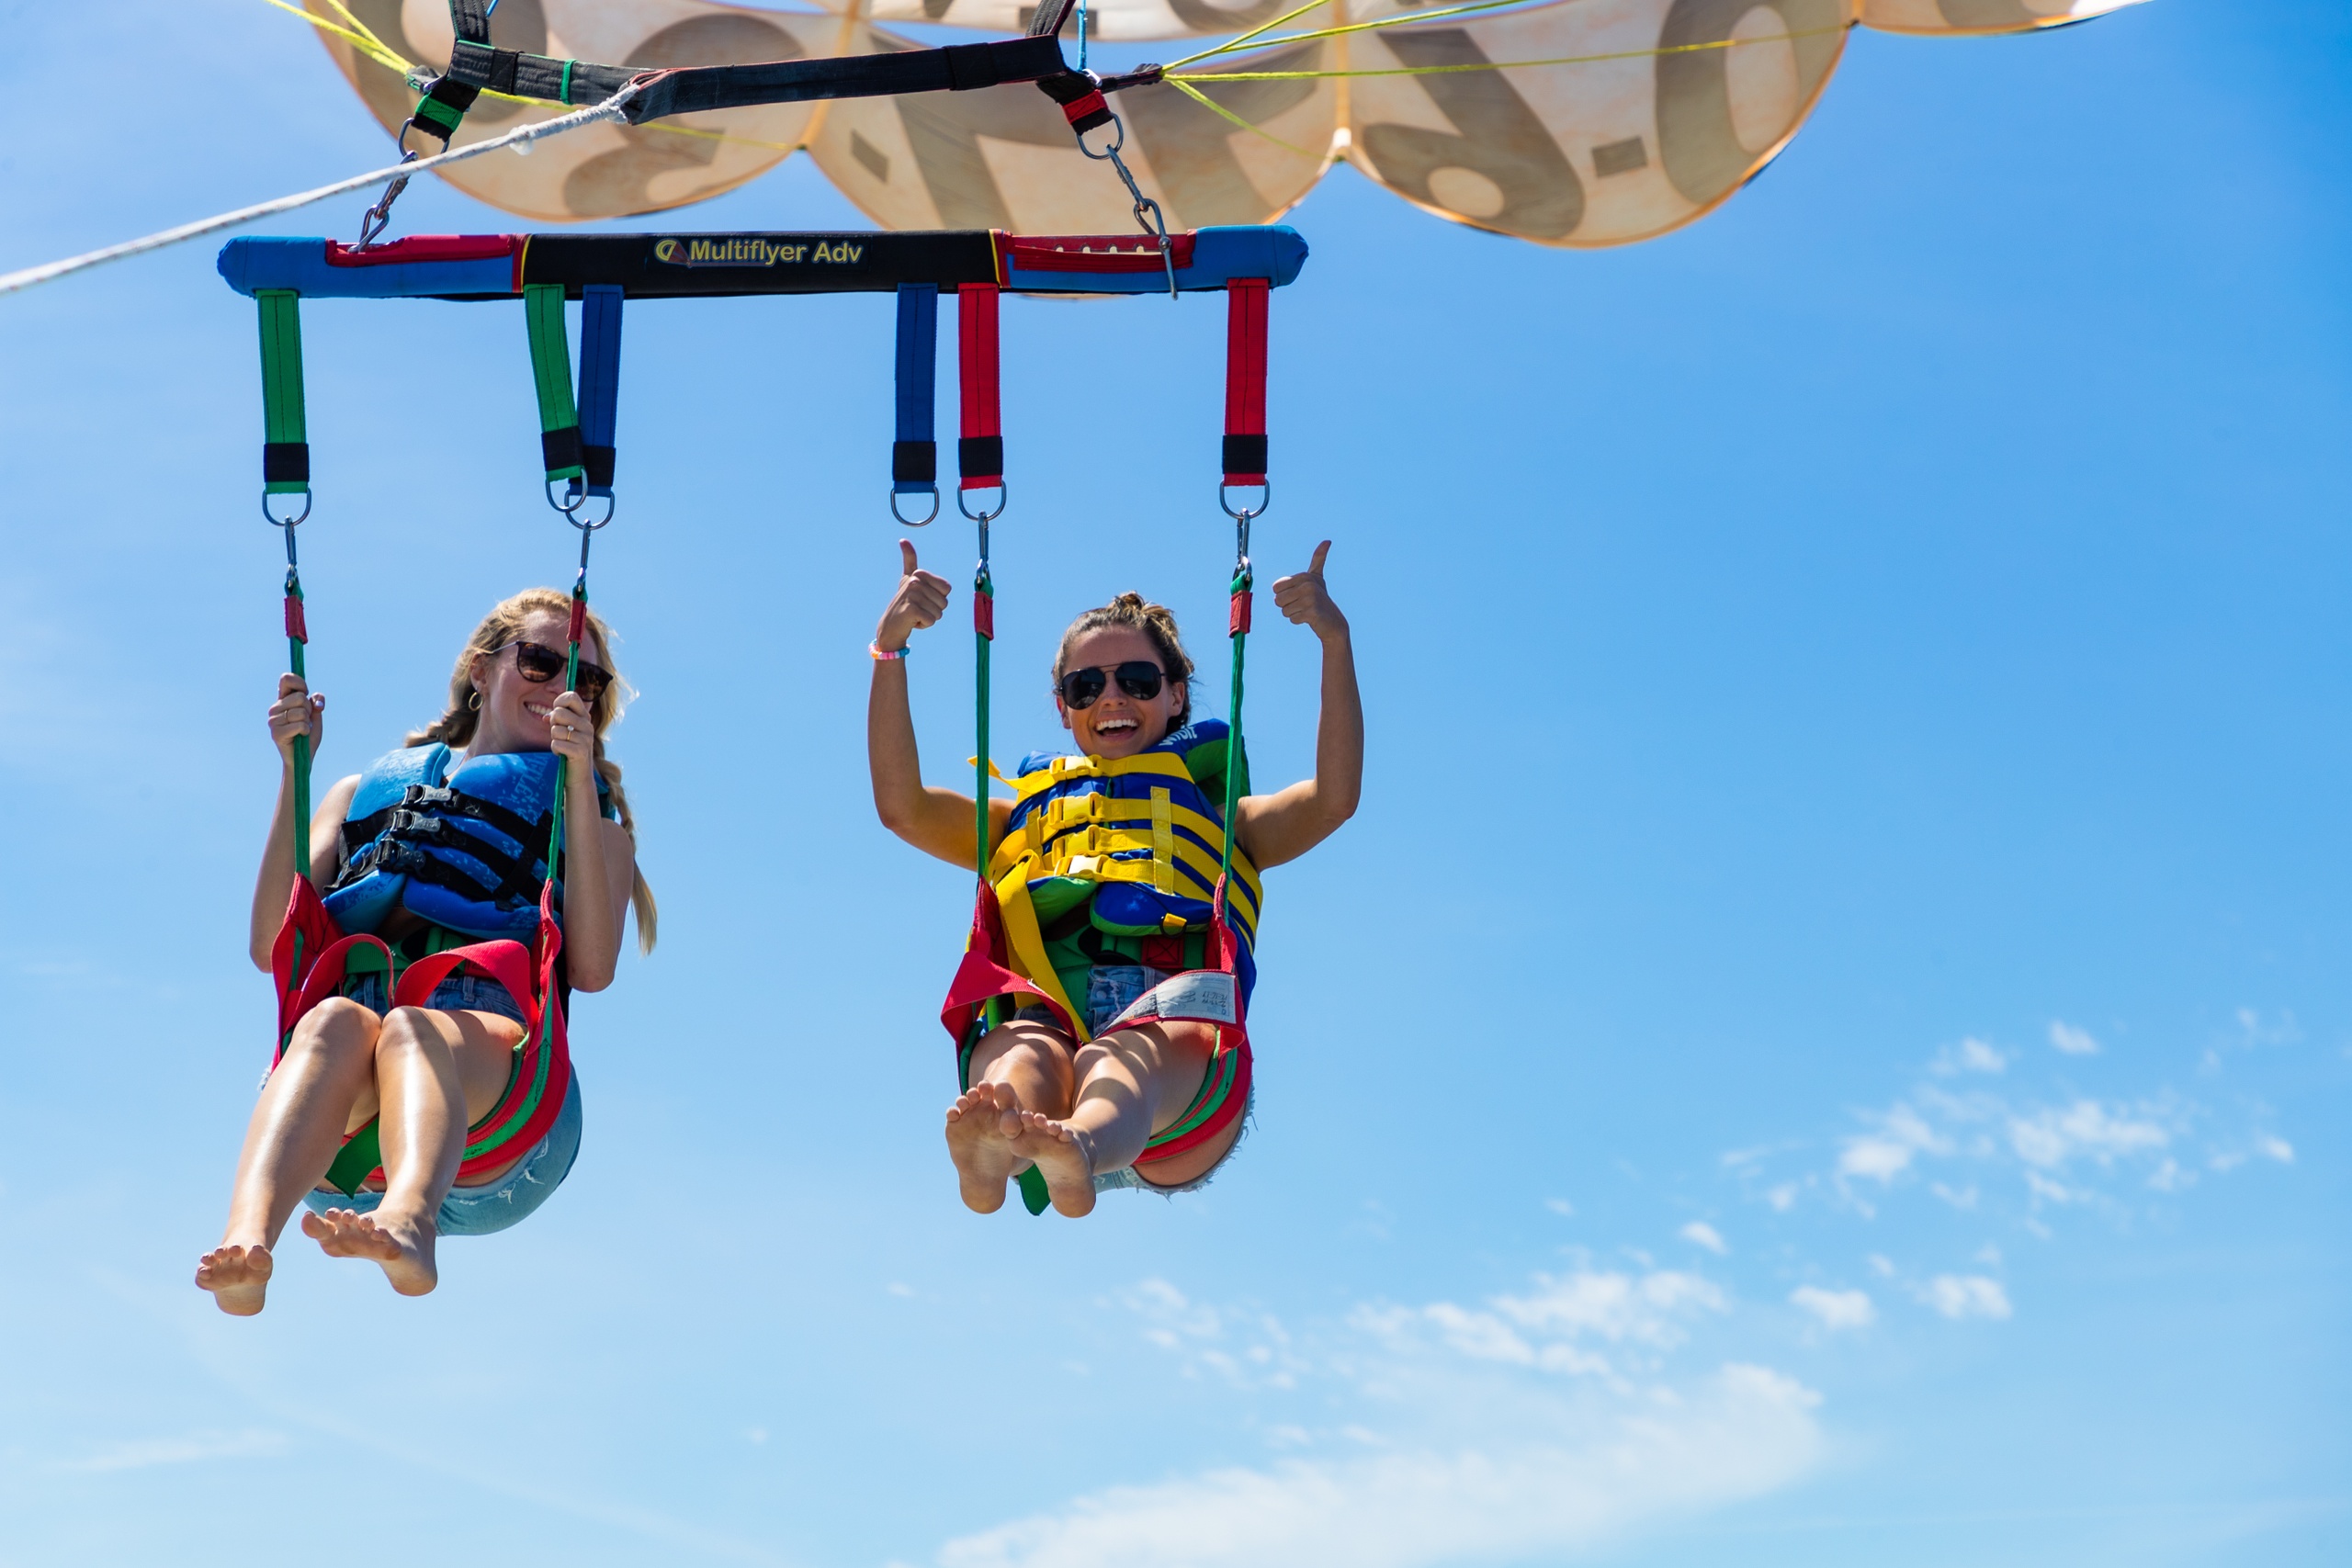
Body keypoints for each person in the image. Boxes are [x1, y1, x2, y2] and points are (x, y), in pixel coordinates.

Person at [868, 539, 1362, 1215]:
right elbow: (904, 807)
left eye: (1137, 678)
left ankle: (1080, 1145)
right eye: (1086, 685)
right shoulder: (1020, 819)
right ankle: (1001, 1139)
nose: (1112, 697)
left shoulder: (1224, 822)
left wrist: (1335, 642)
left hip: (1181, 1073)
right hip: (1052, 1013)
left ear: (1176, 693)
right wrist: (890, 651)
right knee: (1020, 1053)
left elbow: (1333, 797)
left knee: (1124, 1058)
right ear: (1065, 706)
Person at [195, 590, 653, 1314]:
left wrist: (574, 777)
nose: (562, 687)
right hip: (352, 1116)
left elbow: (592, 968)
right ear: (482, 669)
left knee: (415, 1029)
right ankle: (248, 1242)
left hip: (507, 1118)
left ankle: (411, 1222)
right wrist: (295, 769)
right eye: (540, 661)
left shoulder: (591, 818)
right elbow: (268, 944)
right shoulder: (357, 792)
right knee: (331, 1024)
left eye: (584, 682)